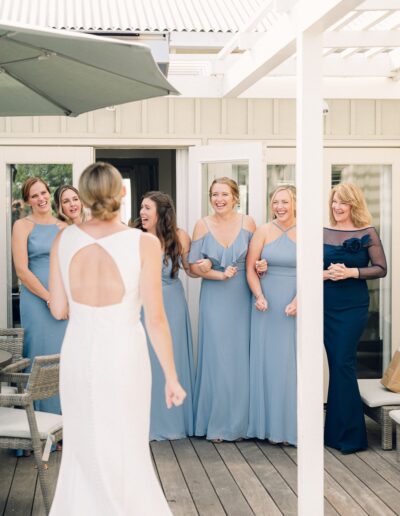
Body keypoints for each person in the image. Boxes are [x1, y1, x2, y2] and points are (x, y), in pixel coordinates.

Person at [49, 162, 185, 515]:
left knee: (82, 441)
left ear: (84, 197)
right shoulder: (143, 243)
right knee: (125, 442)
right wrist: (171, 376)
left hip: (78, 352)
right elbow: (155, 318)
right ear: (122, 192)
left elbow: (58, 307)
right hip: (123, 354)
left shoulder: (63, 239)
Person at [135, 191, 207, 440]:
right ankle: (143, 423)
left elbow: (191, 270)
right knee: (145, 361)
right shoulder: (134, 237)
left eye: (147, 208)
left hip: (173, 305)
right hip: (142, 305)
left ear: (161, 213)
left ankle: (174, 422)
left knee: (171, 358)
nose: (142, 213)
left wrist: (206, 267)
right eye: (141, 208)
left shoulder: (179, 236)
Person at [188, 177, 256, 442]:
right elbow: (192, 268)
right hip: (215, 297)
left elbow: (259, 257)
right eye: (214, 194)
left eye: (224, 194)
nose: (219, 199)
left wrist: (261, 265)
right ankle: (216, 422)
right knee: (217, 358)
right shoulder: (201, 225)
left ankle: (242, 423)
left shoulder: (248, 223)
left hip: (242, 296)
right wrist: (209, 270)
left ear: (235, 197)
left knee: (240, 358)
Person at [324, 182, 387, 454]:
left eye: (343, 202)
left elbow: (380, 269)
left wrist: (352, 273)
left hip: (353, 306)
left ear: (354, 205)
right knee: (335, 364)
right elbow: (306, 269)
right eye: (335, 201)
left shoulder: (368, 232)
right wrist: (327, 274)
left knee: (343, 363)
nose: (338, 207)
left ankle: (350, 436)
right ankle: (335, 432)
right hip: (325, 304)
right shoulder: (321, 232)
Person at [246, 185, 297, 445]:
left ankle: (290, 428)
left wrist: (300, 300)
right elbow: (250, 269)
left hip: (296, 306)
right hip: (266, 306)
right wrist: (259, 296)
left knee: (291, 366)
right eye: (276, 201)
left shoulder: (307, 230)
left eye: (285, 201)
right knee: (267, 364)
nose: (280, 207)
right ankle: (265, 427)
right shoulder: (263, 231)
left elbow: (314, 271)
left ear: (295, 203)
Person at [12, 177, 67, 414]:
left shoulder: (63, 226)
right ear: (27, 201)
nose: (41, 198)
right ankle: (35, 427)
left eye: (43, 192)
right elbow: (22, 270)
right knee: (37, 355)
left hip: (61, 298)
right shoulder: (22, 226)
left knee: (62, 358)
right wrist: (48, 297)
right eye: (34, 195)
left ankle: (61, 426)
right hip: (35, 300)